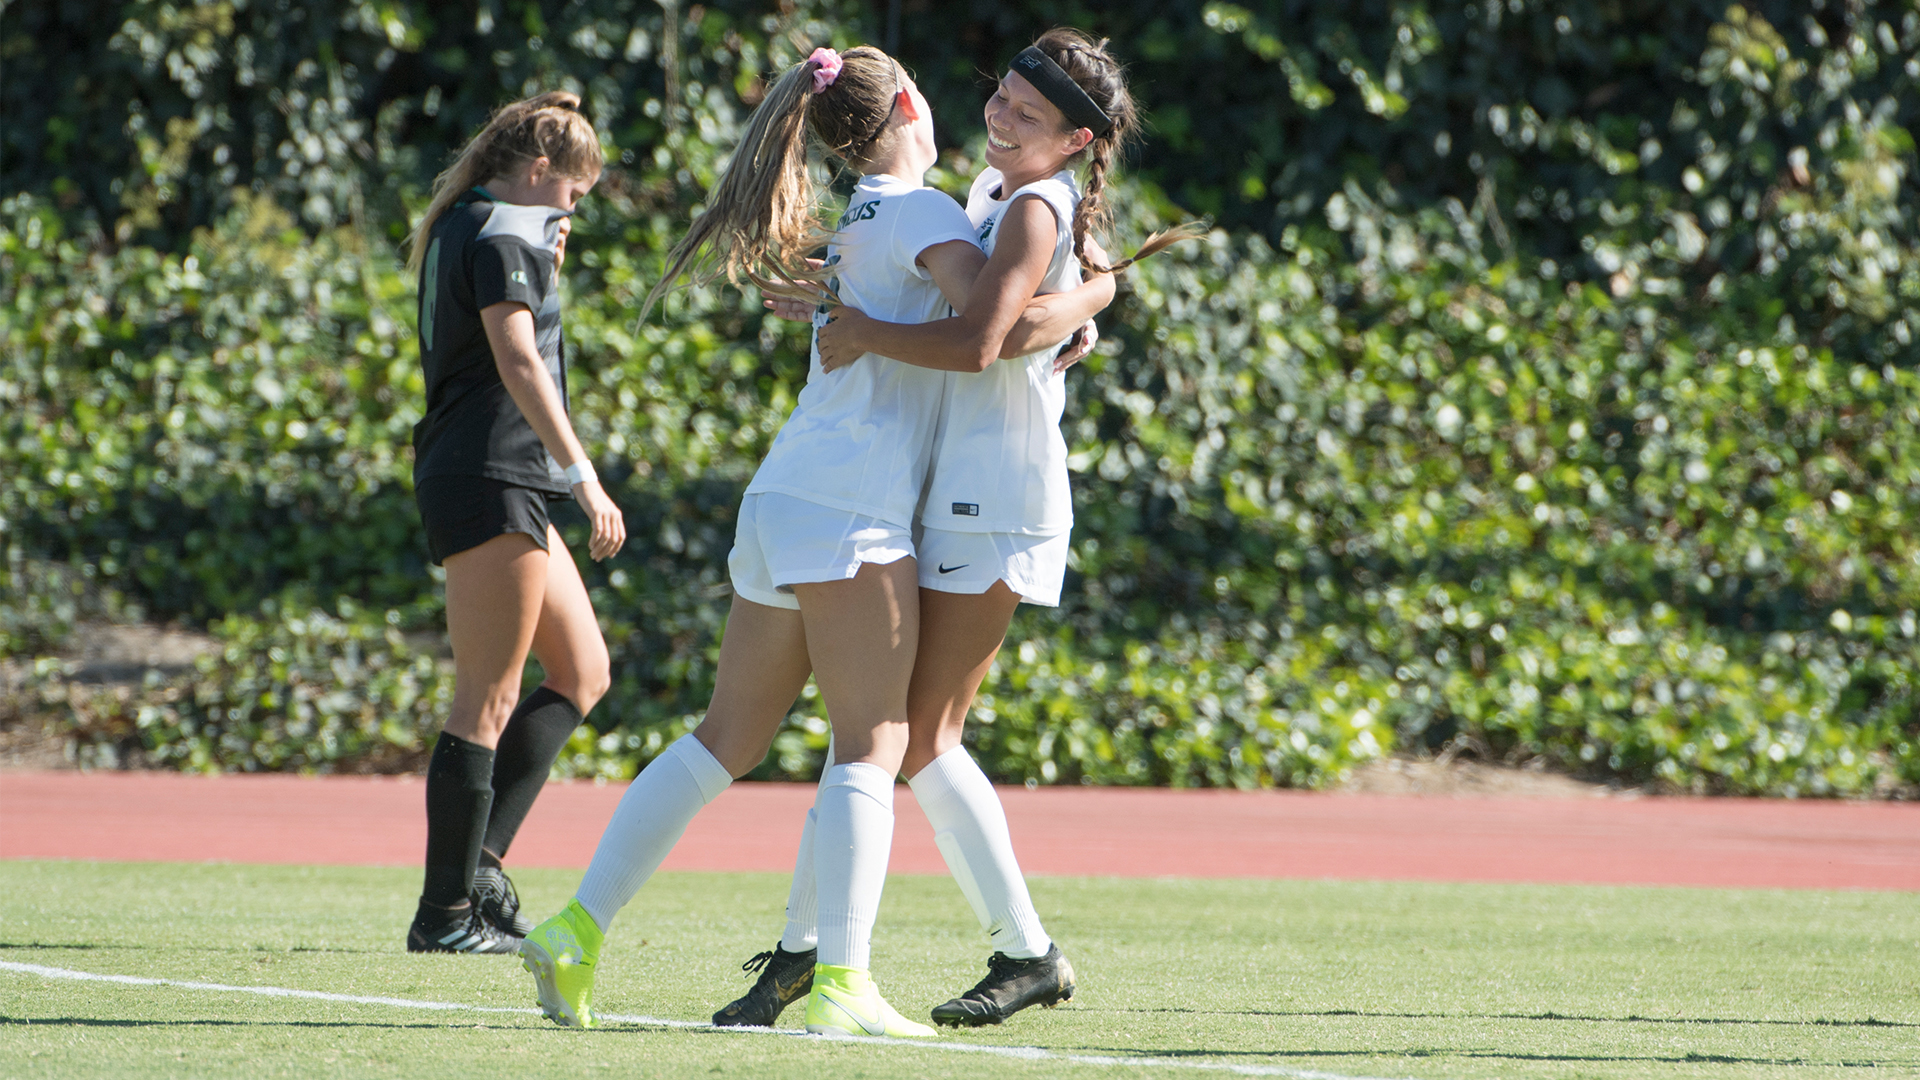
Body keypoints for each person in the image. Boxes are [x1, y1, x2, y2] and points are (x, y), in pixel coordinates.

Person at [517, 45, 1108, 1034]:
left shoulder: (864, 218)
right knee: (875, 748)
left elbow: (974, 311)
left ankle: (578, 927)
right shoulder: (922, 212)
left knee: (723, 740)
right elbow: (989, 328)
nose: (996, 112)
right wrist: (1096, 294)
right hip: (857, 509)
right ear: (913, 105)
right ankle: (842, 984)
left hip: (786, 496)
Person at [722, 27, 1199, 1027]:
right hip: (953, 490)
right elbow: (982, 302)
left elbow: (989, 337)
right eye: (1002, 95)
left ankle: (995, 952)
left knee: (908, 736)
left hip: (998, 496)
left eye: (1029, 112)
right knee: (887, 733)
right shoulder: (991, 194)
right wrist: (842, 292)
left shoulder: (1029, 202)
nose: (1000, 113)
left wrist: (865, 330)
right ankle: (831, 956)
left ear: (1076, 139)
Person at [402, 91, 626, 954]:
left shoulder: (473, 217)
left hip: (500, 475)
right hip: (491, 473)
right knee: (486, 699)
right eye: (571, 196)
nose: (572, 214)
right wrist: (586, 477)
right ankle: (445, 916)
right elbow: (517, 357)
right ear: (537, 172)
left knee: (583, 671)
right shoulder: (503, 232)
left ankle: (479, 868)